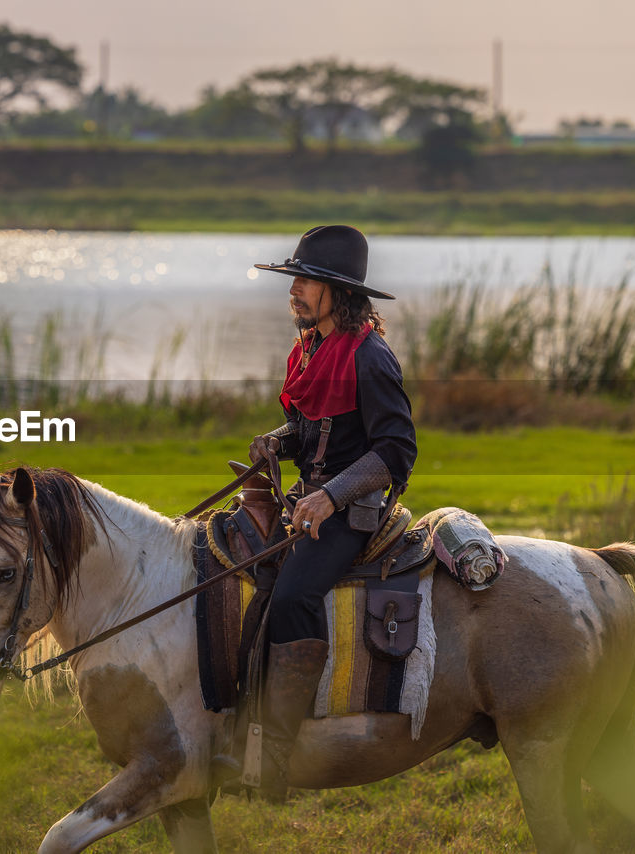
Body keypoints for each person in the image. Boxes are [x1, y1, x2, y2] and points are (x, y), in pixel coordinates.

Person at [245, 224, 417, 800]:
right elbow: (311, 430)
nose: (294, 290)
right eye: (293, 278)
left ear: (338, 294)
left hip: (353, 511)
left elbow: (395, 451)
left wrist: (331, 495)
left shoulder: (370, 357)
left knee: (294, 597)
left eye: (307, 281)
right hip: (309, 502)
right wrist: (277, 440)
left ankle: (280, 754)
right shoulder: (311, 348)